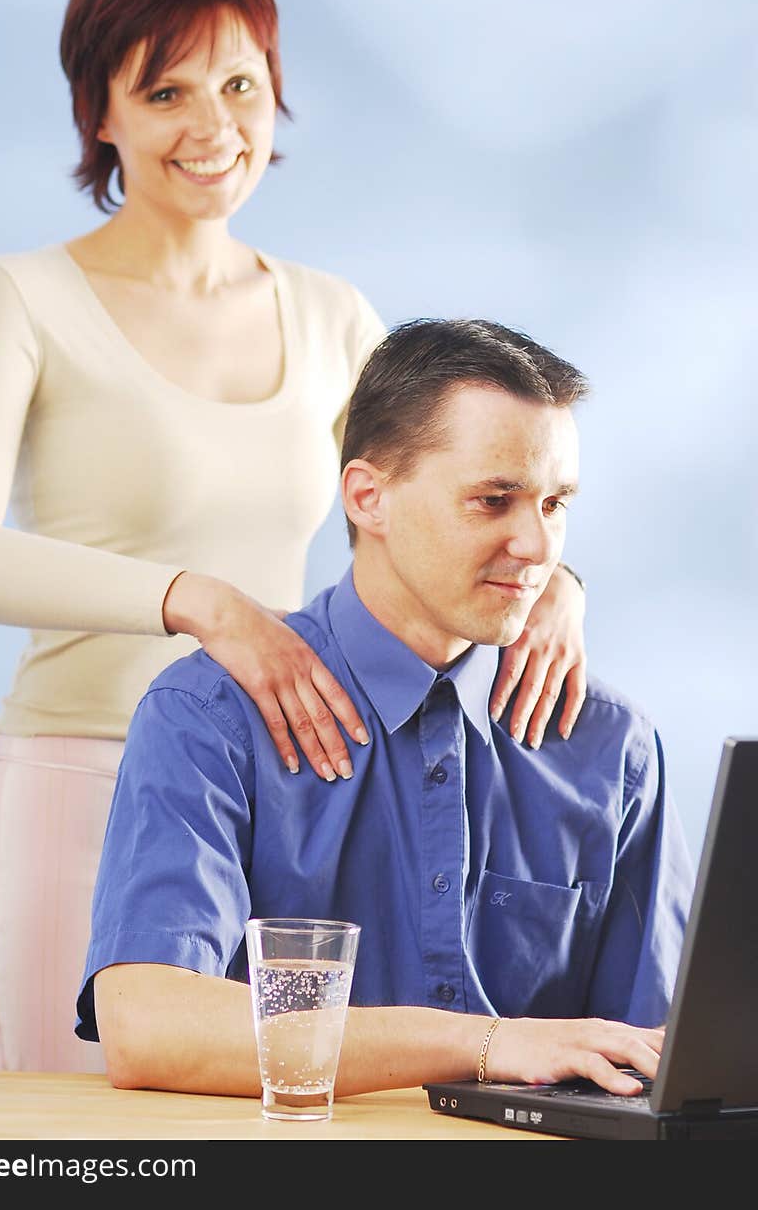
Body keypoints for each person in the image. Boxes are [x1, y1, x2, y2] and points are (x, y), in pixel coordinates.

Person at [0, 0, 588, 1074]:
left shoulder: (329, 315)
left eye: (238, 85)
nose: (213, 124)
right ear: (101, 114)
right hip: (81, 769)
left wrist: (558, 584)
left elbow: (430, 490)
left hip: (274, 785)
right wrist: (199, 603)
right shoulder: (19, 297)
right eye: (164, 90)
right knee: (72, 1133)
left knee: (261, 1113)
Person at [75, 319, 694, 1099]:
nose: (539, 547)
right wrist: (488, 1045)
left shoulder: (610, 745)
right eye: (494, 500)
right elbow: (149, 1030)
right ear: (369, 498)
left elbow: (659, 1056)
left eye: (554, 503)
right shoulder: (207, 718)